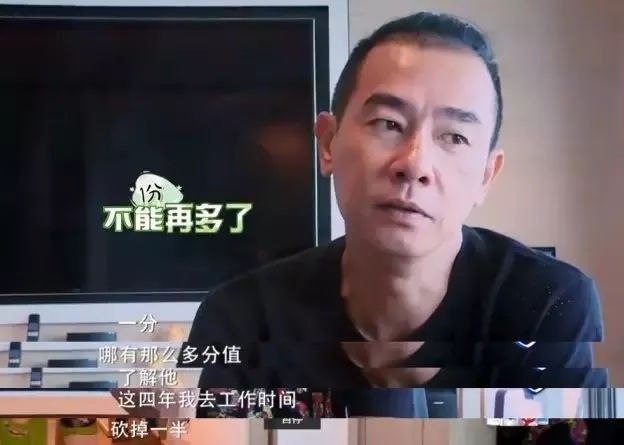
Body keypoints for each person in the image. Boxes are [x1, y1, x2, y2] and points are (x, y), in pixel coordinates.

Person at [178, 11, 607, 412]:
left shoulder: (547, 303)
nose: (415, 164)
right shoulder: (242, 319)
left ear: (486, 176)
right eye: (388, 124)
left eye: (454, 137)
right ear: (327, 143)